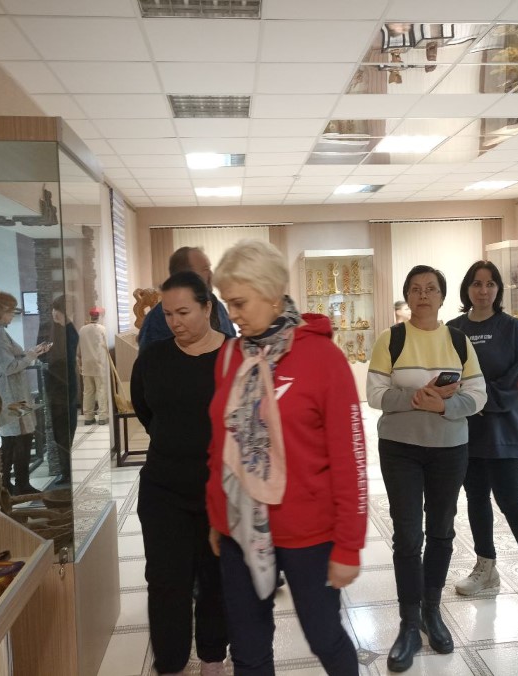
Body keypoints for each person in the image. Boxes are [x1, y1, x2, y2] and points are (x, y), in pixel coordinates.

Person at [206, 239, 366, 676]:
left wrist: (348, 544)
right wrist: (217, 516)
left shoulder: (322, 357)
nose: (232, 315)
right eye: (227, 303)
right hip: (240, 527)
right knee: (248, 647)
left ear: (272, 294)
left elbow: (350, 459)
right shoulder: (230, 356)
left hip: (308, 533)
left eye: (239, 303)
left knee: (324, 636)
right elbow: (220, 443)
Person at [367, 265, 487, 672]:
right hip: (400, 449)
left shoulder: (458, 340)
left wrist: (444, 406)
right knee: (406, 535)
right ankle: (408, 622)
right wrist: (418, 398)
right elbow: (375, 394)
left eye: (431, 289)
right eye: (416, 289)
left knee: (441, 530)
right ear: (407, 296)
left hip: (449, 449)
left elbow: (478, 395)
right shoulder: (392, 339)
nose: (423, 295)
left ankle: (431, 611)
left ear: (442, 296)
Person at [131, 271, 228, 676]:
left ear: (208, 307)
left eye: (184, 312)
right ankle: (170, 663)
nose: (175, 322)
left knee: (215, 577)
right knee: (166, 580)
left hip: (220, 489)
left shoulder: (236, 357)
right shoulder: (153, 358)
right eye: (168, 314)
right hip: (164, 489)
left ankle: (212, 657)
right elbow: (145, 410)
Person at [447, 261, 518, 607]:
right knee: (475, 498)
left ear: (499, 289)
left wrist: (474, 399)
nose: (483, 290)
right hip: (465, 432)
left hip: (503, 430)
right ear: (467, 288)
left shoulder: (513, 329)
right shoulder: (453, 329)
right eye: (476, 283)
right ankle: (485, 567)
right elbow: (446, 376)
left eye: (490, 284)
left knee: (509, 499)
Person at [0, 292, 49, 495]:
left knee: (19, 437)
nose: (11, 317)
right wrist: (29, 356)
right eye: (9, 312)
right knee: (16, 438)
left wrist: (30, 353)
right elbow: (8, 367)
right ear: (0, 312)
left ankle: (14, 483)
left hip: (15, 392)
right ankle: (13, 484)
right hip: (10, 394)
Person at [138, 246, 236, 352]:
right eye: (205, 269)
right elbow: (148, 359)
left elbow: (233, 347)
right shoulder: (156, 319)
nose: (211, 274)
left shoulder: (218, 306)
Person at [42, 295, 79, 484]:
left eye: (55, 310)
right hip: (60, 386)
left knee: (64, 431)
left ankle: (67, 472)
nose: (53, 313)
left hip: (63, 386)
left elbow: (63, 359)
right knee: (62, 431)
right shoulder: (61, 330)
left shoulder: (68, 331)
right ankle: (66, 471)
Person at [78, 306, 109, 425]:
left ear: (90, 316)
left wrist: (80, 363)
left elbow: (78, 349)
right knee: (101, 390)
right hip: (99, 365)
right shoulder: (102, 329)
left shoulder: (82, 329)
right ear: (99, 317)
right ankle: (102, 417)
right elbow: (106, 346)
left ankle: (88, 417)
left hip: (86, 365)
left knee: (88, 391)